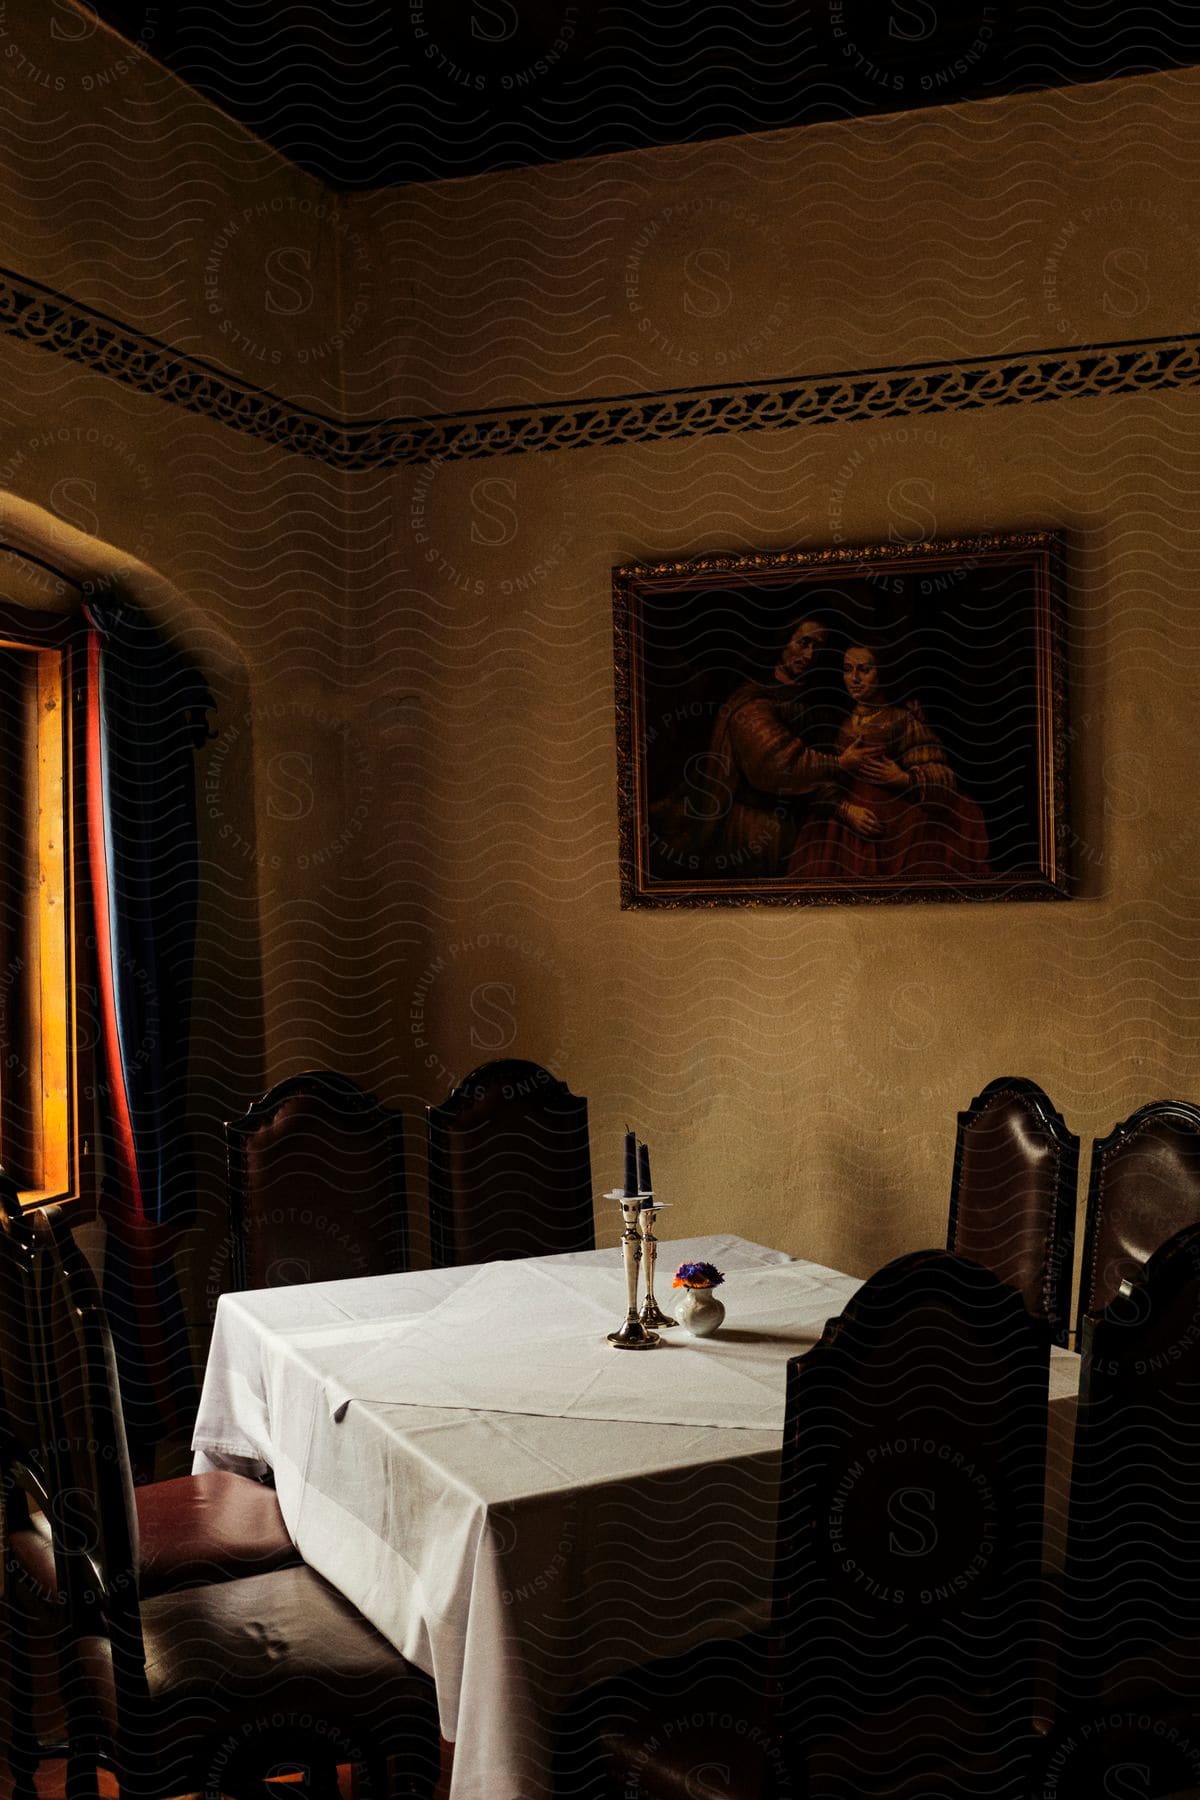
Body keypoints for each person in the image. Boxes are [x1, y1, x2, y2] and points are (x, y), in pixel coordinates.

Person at [650, 619, 876, 879]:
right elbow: (780, 764)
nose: (810, 655)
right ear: (784, 641)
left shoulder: (819, 701)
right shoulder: (752, 700)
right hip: (758, 825)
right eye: (803, 642)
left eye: (818, 647)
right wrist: (839, 764)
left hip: (807, 822)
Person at [786, 641, 992, 881]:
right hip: (844, 827)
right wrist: (846, 810)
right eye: (847, 669)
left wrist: (904, 779)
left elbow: (941, 774)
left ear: (882, 672)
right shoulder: (836, 721)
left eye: (864, 670)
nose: (854, 678)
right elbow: (818, 776)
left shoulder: (900, 719)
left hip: (896, 831)